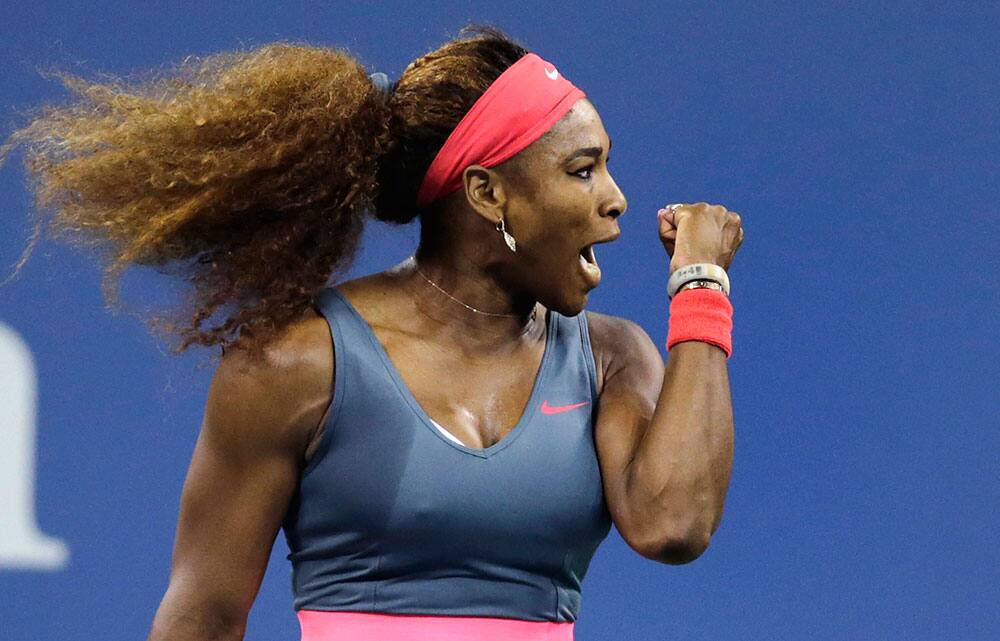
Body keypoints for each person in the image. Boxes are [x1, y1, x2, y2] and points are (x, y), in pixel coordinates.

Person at [1, 24, 744, 641]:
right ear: (488, 193)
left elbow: (673, 524)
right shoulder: (299, 363)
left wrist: (701, 287)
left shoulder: (613, 358)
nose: (617, 199)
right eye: (584, 171)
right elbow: (202, 615)